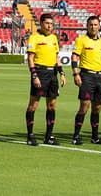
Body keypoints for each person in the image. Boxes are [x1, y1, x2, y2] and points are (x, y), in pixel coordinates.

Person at [25, 13, 64, 146]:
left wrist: (62, 73)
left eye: (51, 24)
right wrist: (34, 75)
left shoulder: (54, 38)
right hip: (40, 72)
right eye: (47, 23)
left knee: (52, 105)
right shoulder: (34, 37)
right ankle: (30, 135)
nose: (49, 26)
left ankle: (49, 136)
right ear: (41, 23)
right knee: (33, 104)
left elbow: (57, 58)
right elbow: (30, 58)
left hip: (52, 73)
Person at [70, 15, 101, 146]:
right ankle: (76, 136)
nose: (93, 27)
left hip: (99, 77)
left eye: (95, 25)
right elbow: (74, 57)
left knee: (97, 108)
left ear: (99, 26)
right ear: (87, 26)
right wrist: (76, 74)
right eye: (91, 25)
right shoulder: (81, 40)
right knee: (84, 106)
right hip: (87, 76)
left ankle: (95, 137)